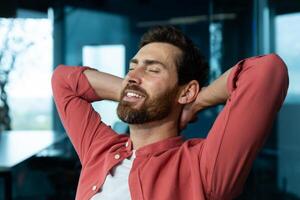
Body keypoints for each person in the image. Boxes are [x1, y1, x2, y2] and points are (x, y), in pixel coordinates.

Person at [51, 26, 289, 200]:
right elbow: (63, 81)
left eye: (153, 69)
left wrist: (196, 101)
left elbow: (266, 71)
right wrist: (132, 91)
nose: (132, 76)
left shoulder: (203, 168)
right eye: (132, 67)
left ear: (186, 92)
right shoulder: (100, 149)